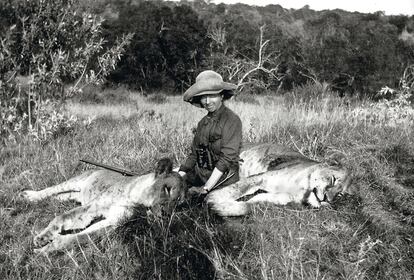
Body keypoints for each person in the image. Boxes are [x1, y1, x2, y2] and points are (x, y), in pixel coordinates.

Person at [178, 70, 242, 194]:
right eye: (203, 97)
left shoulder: (232, 120)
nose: (207, 102)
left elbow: (226, 159)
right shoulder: (202, 123)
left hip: (223, 178)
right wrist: (179, 175)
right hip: (201, 174)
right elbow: (194, 155)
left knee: (206, 204)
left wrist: (206, 187)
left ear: (222, 95)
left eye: (212, 96)